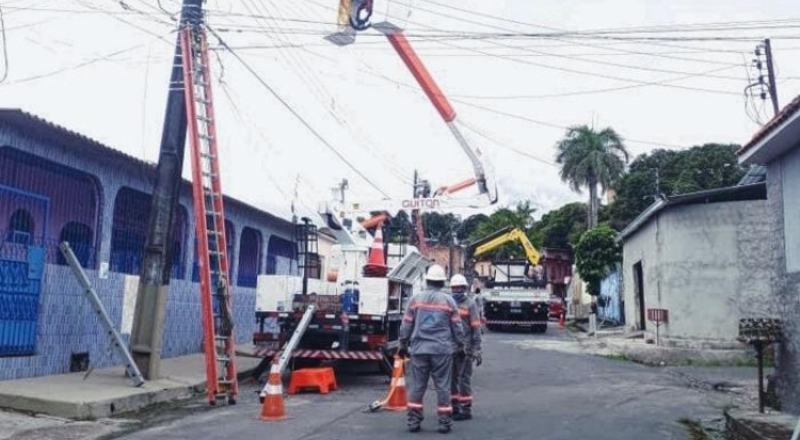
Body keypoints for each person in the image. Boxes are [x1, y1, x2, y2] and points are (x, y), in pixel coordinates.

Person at [398, 264, 465, 434]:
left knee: (417, 386)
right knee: (443, 387)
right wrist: (460, 345)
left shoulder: (416, 299)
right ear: (443, 282)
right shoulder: (449, 301)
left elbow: (406, 323)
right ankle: (444, 422)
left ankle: (413, 421)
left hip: (419, 349)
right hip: (442, 350)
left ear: (427, 280)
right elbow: (457, 327)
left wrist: (403, 343)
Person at [449, 274, 483, 421]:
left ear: (464, 288)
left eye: (459, 287)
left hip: (466, 349)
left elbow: (476, 328)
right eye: (454, 288)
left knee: (464, 379)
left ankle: (466, 409)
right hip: (451, 348)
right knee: (452, 379)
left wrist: (477, 349)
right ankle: (454, 407)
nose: (457, 290)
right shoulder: (449, 303)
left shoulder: (470, 304)